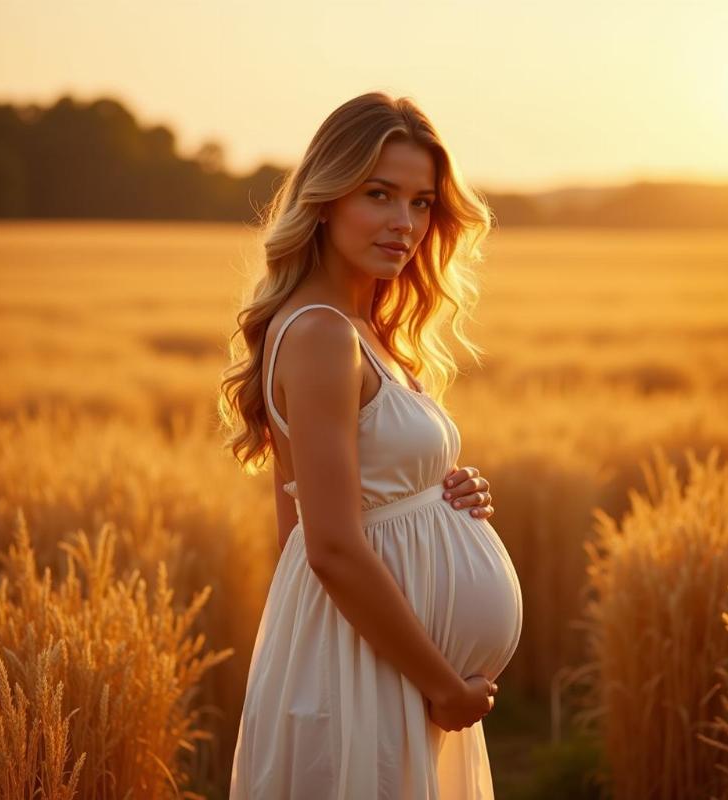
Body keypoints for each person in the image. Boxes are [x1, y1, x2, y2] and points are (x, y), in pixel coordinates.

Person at [219, 91, 523, 799]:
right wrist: (442, 686)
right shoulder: (322, 333)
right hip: (374, 672)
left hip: (379, 659)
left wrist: (441, 496)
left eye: (421, 203)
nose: (405, 223)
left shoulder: (360, 329)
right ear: (325, 198)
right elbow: (325, 546)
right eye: (379, 194)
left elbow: (298, 520)